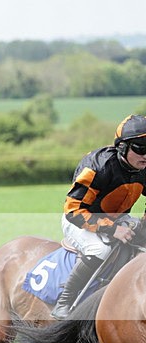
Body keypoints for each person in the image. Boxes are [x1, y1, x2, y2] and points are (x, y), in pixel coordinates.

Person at [51, 114, 146, 319]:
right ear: (122, 147)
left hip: (117, 218)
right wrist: (112, 229)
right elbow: (73, 210)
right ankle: (65, 301)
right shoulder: (98, 166)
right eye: (140, 147)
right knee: (100, 249)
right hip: (80, 220)